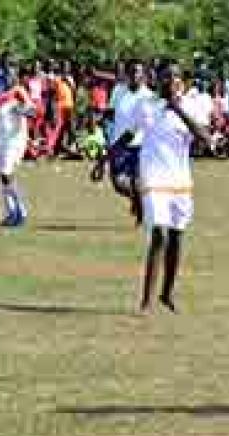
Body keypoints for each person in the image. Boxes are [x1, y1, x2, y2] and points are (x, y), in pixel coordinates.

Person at [105, 61, 210, 314]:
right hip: (153, 178)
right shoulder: (147, 105)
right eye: (166, 77)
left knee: (176, 236)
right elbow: (128, 135)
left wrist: (178, 109)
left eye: (175, 77)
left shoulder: (191, 104)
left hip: (180, 180)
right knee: (159, 234)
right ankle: (147, 302)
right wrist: (105, 159)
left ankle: (167, 293)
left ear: (182, 81)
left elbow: (205, 139)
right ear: (158, 80)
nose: (171, 82)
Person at [91, 60, 153, 225]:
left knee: (137, 180)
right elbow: (112, 112)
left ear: (143, 75)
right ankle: (138, 200)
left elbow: (143, 125)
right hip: (118, 142)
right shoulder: (119, 90)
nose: (134, 75)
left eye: (138, 72)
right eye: (131, 72)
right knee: (118, 183)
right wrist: (100, 118)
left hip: (140, 144)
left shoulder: (147, 96)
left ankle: (142, 216)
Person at [0, 67, 36, 226]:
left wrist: (22, 109)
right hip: (1, 142)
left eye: (12, 76)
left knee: (6, 174)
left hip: (13, 142)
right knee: (3, 178)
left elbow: (31, 111)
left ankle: (21, 210)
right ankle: (11, 213)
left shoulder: (18, 92)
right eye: (7, 76)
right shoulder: (1, 97)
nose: (9, 78)